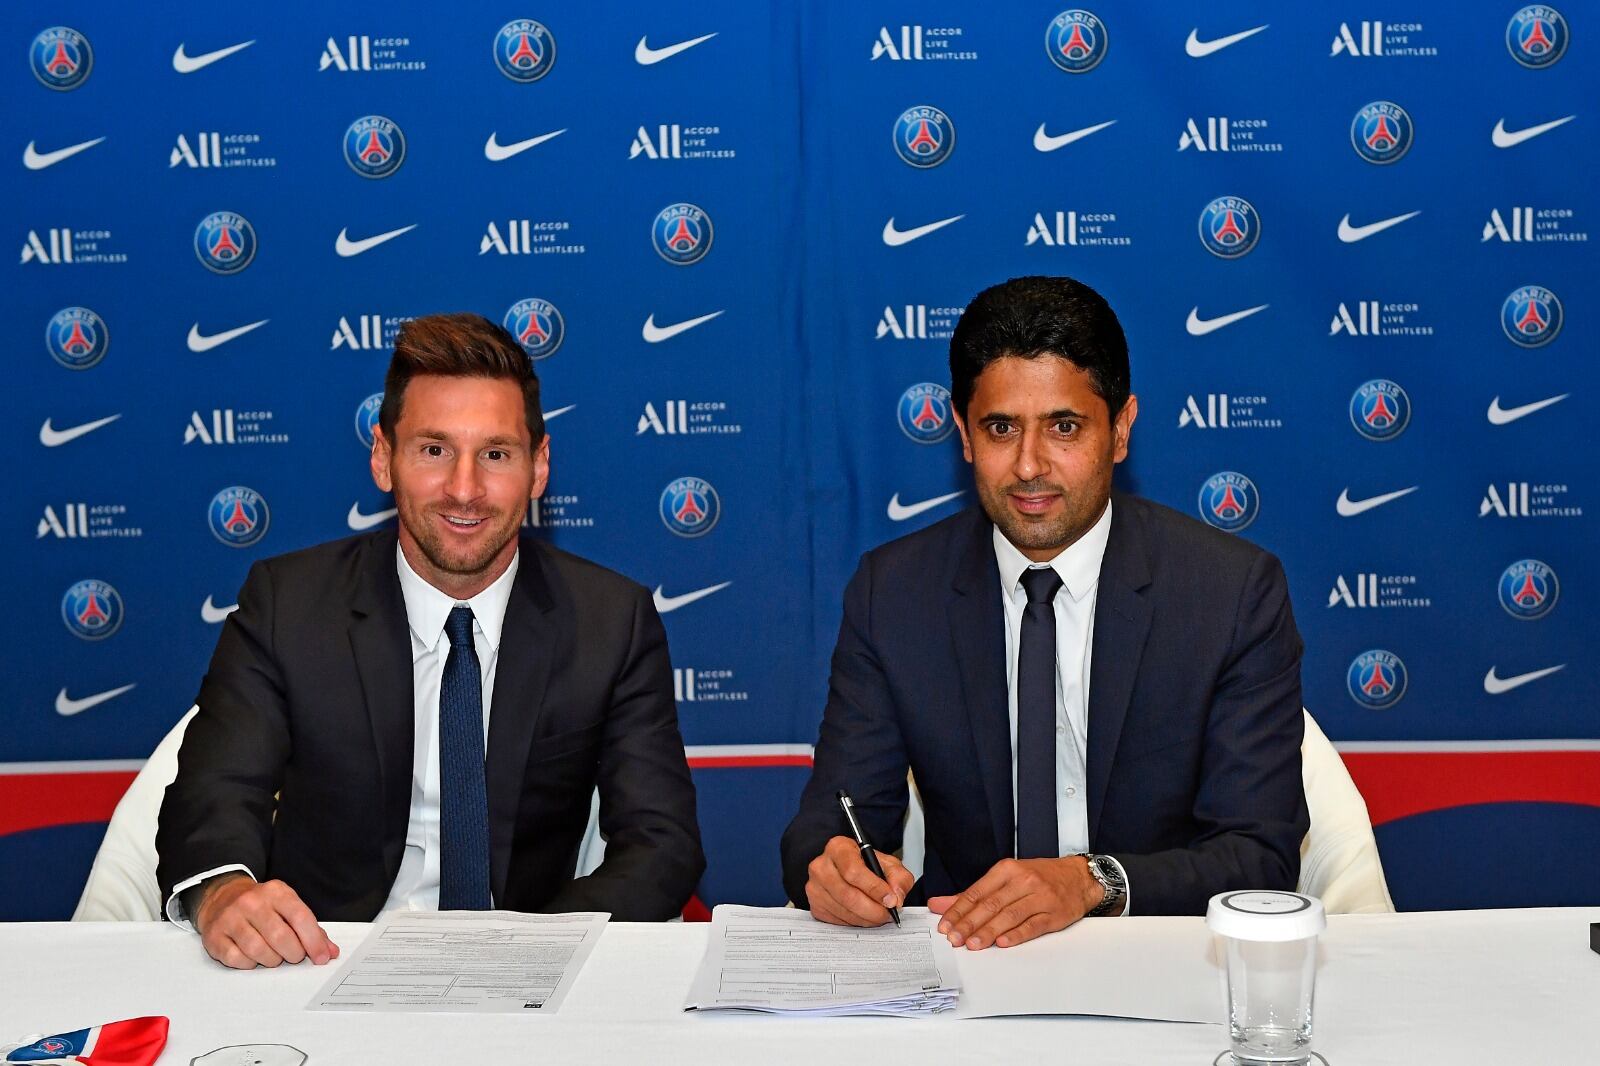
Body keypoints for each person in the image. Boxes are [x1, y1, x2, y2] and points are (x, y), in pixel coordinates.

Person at [158, 313, 704, 969]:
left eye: (496, 454)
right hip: (321, 960)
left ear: (539, 467)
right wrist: (222, 891)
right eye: (434, 450)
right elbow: (215, 792)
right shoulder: (288, 605)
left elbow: (661, 843)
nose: (464, 489)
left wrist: (524, 950)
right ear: (383, 457)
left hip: (523, 969)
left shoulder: (612, 621)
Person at [782, 276, 1306, 950]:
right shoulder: (896, 594)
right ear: (963, 434)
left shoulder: (1228, 593)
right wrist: (829, 869)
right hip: (971, 960)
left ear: (1121, 429)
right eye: (1001, 428)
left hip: (1158, 958)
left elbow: (1260, 855)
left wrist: (1093, 882)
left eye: (1064, 427)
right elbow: (834, 819)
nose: (1029, 466)